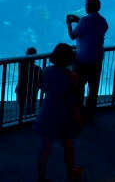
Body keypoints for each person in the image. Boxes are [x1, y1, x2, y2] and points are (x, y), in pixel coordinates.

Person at [34, 43, 83, 182]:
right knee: (68, 144)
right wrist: (78, 116)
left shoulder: (46, 71)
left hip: (48, 110)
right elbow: (73, 99)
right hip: (64, 113)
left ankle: (41, 176)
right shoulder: (72, 76)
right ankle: (71, 172)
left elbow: (42, 87)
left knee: (45, 146)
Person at [67, 0, 108, 121]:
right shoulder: (103, 21)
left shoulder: (84, 21)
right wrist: (79, 21)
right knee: (93, 86)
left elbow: (72, 36)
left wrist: (69, 23)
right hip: (97, 59)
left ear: (88, 7)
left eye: (86, 4)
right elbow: (93, 29)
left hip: (82, 59)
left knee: (79, 86)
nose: (85, 6)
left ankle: (78, 112)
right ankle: (91, 113)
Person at [16, 47, 43, 116]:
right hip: (31, 92)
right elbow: (40, 83)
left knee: (22, 111)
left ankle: (22, 121)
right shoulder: (38, 69)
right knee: (31, 110)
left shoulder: (21, 64)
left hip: (22, 91)